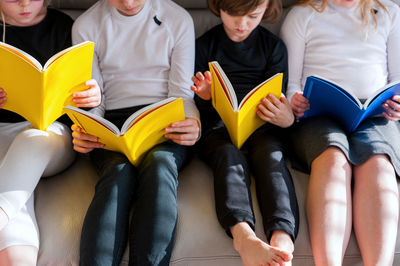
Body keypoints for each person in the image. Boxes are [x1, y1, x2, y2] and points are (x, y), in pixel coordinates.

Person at [70, 0, 200, 265]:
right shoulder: (85, 25)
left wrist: (194, 122)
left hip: (162, 116)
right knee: (117, 173)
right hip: (112, 121)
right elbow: (96, 100)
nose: (128, 3)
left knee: (161, 164)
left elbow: (182, 94)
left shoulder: (178, 19)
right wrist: (87, 126)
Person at [281, 0, 400, 265]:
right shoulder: (302, 15)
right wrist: (295, 101)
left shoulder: (390, 13)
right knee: (333, 159)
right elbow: (291, 83)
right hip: (318, 115)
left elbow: (397, 78)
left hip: (375, 114)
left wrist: (398, 102)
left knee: (379, 164)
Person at [191, 0, 299, 265]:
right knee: (228, 157)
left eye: (253, 16)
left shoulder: (273, 47)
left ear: (268, 10)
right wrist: (205, 97)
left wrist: (284, 115)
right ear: (218, 7)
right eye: (232, 14)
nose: (241, 25)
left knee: (272, 158)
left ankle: (282, 237)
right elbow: (194, 105)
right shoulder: (203, 45)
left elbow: (279, 96)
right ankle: (243, 235)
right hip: (217, 128)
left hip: (261, 127)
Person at [0, 0, 101, 265]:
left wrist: (92, 95)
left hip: (52, 136)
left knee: (32, 140)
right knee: (14, 186)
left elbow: (90, 85)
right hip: (3, 132)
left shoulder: (66, 26)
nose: (24, 4)